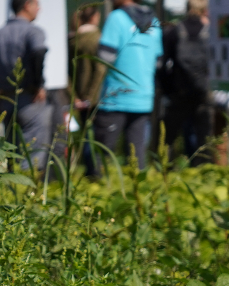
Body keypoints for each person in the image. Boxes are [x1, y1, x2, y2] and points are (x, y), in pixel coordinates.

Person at [93, 0, 162, 171]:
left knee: (101, 156)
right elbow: (159, 62)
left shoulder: (116, 17)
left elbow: (105, 56)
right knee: (137, 158)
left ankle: (97, 185)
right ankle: (136, 186)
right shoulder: (153, 21)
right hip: (144, 97)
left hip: (116, 96)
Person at [0, 0, 52, 171]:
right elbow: (38, 51)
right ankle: (28, 184)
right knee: (33, 154)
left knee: (10, 151)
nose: (39, 8)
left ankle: (11, 185)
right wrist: (39, 84)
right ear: (27, 5)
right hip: (30, 99)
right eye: (36, 4)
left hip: (5, 100)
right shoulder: (33, 32)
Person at [161, 0, 211, 163]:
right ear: (204, 10)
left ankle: (165, 168)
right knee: (204, 138)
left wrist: (169, 89)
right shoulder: (210, 31)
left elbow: (162, 65)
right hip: (203, 91)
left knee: (168, 138)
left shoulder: (175, 31)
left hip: (179, 92)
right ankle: (203, 169)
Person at [72, 4, 105, 173]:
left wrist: (74, 97)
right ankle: (95, 172)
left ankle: (88, 171)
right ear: (95, 17)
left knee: (86, 134)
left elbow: (66, 73)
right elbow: (100, 70)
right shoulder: (98, 39)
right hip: (96, 97)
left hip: (78, 97)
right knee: (96, 136)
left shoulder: (72, 40)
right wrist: (91, 97)